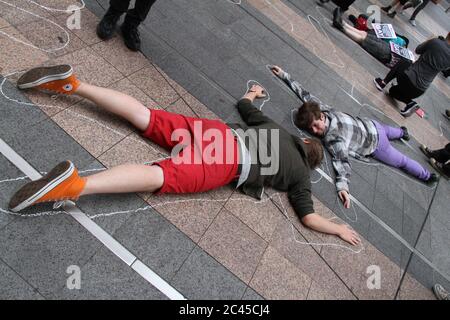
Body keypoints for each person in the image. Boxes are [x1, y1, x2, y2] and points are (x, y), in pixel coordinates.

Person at [9, 65, 362, 246]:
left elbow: (244, 105)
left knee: (146, 117)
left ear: (301, 141)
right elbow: (308, 219)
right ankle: (76, 185)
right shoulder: (301, 177)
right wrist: (337, 229)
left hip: (217, 133)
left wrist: (254, 93)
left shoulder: (280, 131)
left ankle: (73, 85)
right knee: (161, 176)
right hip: (227, 165)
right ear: (312, 163)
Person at [271, 65, 438, 208]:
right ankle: (403, 132)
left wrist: (342, 186)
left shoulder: (333, 138)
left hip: (377, 145)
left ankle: (427, 176)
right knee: (390, 131)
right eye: (311, 128)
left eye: (315, 125)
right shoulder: (324, 110)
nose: (314, 131)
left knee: (402, 161)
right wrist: (285, 75)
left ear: (321, 116)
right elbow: (307, 97)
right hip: (372, 126)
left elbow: (341, 160)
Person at [374, 33, 450, 117]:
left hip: (408, 79)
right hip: (419, 90)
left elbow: (418, 50)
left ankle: (382, 83)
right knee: (392, 91)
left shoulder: (436, 42)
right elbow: (444, 69)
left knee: (405, 60)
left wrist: (430, 40)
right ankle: (410, 103)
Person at [332, 8, 409, 68]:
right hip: (391, 48)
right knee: (364, 34)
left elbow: (418, 50)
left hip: (389, 56)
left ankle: (341, 26)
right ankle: (342, 23)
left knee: (364, 40)